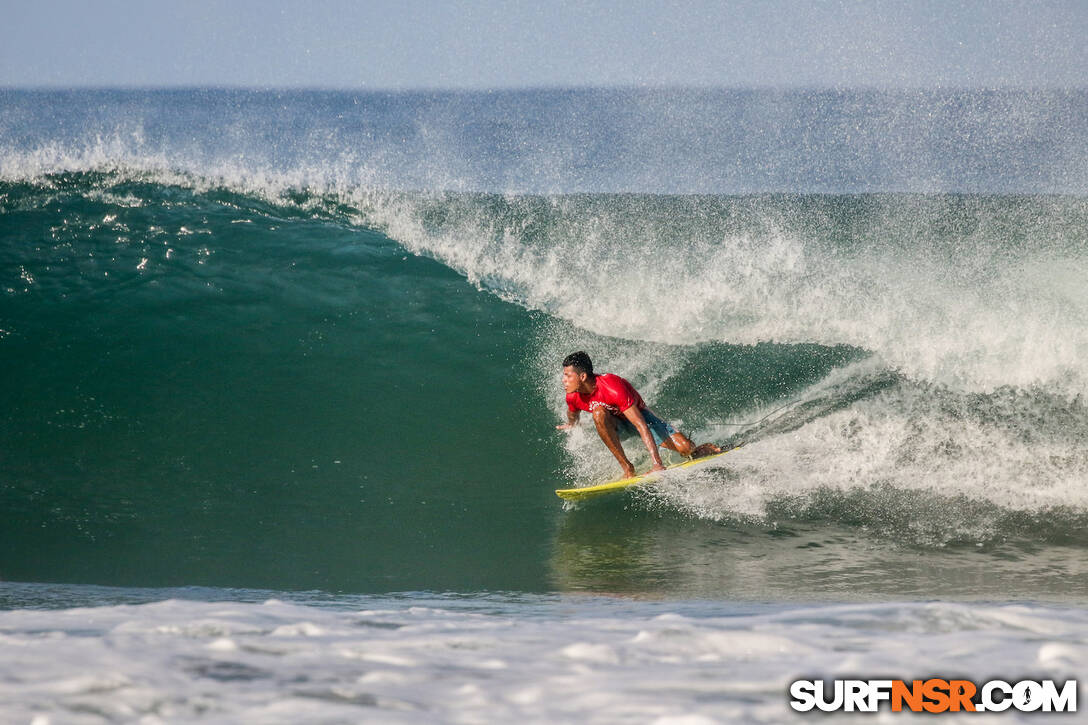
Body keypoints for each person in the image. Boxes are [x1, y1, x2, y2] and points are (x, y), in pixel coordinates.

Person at [556, 351, 721, 479]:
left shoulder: (612, 387)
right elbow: (573, 412)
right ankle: (628, 467)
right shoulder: (572, 395)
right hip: (617, 425)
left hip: (640, 418)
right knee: (598, 412)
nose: (563, 380)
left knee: (686, 449)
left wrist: (657, 464)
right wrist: (572, 424)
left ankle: (703, 448)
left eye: (568, 375)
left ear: (583, 376)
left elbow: (640, 424)